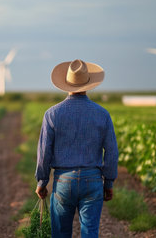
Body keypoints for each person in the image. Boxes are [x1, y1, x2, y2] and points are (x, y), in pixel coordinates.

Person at [35, 59, 118, 238]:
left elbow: (44, 153)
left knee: (61, 234)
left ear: (66, 84)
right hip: (93, 181)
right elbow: (111, 151)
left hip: (63, 181)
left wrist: (42, 181)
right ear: (89, 84)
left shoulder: (52, 114)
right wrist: (109, 183)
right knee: (90, 233)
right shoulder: (103, 114)